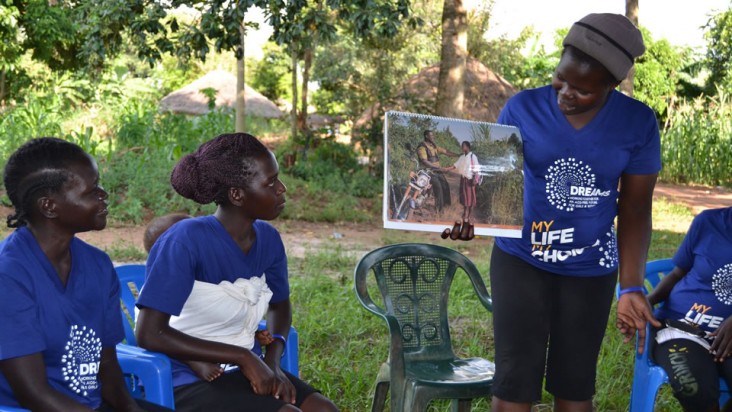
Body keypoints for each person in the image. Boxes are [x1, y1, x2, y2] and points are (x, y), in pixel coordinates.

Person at [443, 13, 662, 412]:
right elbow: (492, 187)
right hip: (520, 262)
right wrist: (468, 217)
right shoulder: (522, 108)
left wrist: (630, 287)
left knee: (576, 390)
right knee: (512, 386)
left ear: (612, 86)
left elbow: (634, 208)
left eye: (583, 91)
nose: (565, 93)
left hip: (591, 272)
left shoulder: (638, 123)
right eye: (561, 78)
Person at [134, 132, 339, 412]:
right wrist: (244, 357)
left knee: (324, 409)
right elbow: (149, 333)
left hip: (245, 368)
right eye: (270, 182)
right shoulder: (185, 240)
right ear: (237, 195)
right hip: (185, 377)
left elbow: (280, 307)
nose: (282, 188)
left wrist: (272, 361)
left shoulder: (268, 239)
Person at [0, 137, 171, 412]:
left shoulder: (98, 265)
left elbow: (108, 370)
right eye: (91, 191)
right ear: (49, 206)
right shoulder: (9, 276)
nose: (104, 195)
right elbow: (34, 394)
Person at [141, 212, 275, 382]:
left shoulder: (212, 281)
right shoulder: (160, 287)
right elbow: (155, 332)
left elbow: (224, 316)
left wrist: (252, 332)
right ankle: (194, 361)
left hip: (225, 351)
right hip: (183, 350)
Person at [647, 207, 732, 412]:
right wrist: (648, 301)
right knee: (693, 388)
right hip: (682, 329)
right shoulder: (708, 222)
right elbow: (677, 274)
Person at [416, 129, 459, 213]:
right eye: (431, 136)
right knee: (438, 187)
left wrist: (458, 155)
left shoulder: (433, 146)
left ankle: (447, 206)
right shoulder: (422, 147)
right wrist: (438, 168)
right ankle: (439, 210)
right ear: (426, 136)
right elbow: (425, 161)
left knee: (445, 185)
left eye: (433, 135)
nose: (433, 137)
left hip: (437, 171)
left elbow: (446, 152)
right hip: (428, 172)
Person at [442, 141, 481, 223]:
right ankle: (465, 213)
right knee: (465, 198)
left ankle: (468, 215)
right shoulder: (462, 157)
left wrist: (475, 180)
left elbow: (477, 169)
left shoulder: (473, 156)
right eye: (461, 146)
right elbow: (455, 165)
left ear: (467, 147)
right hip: (463, 179)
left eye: (463, 146)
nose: (462, 147)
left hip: (470, 180)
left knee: (470, 199)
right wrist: (447, 169)